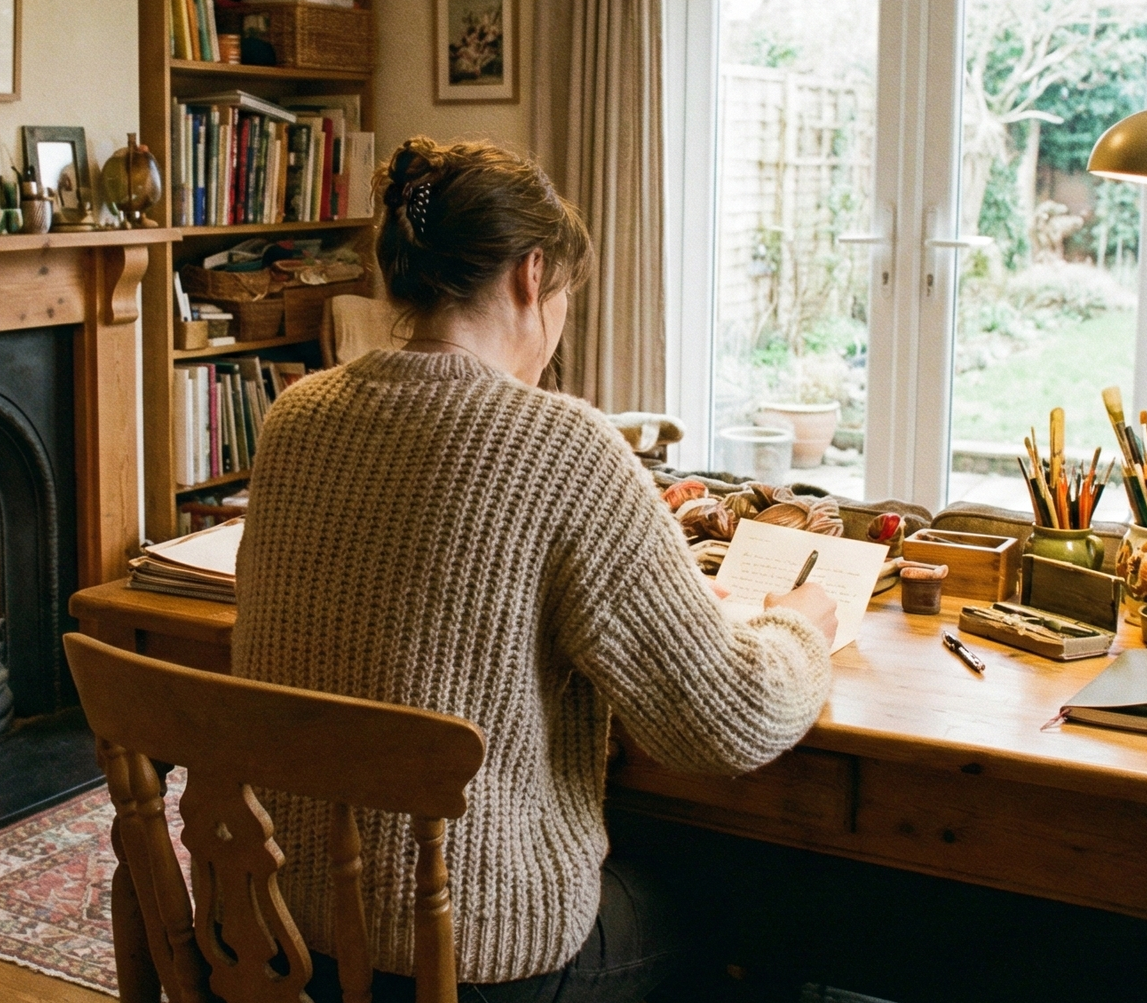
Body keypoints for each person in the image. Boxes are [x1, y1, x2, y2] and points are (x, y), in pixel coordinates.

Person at [236, 136, 839, 1003]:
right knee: (743, 898)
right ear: (531, 275)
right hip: (468, 959)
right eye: (562, 294)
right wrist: (797, 625)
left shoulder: (297, 416)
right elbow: (727, 722)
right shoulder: (562, 445)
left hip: (285, 928)